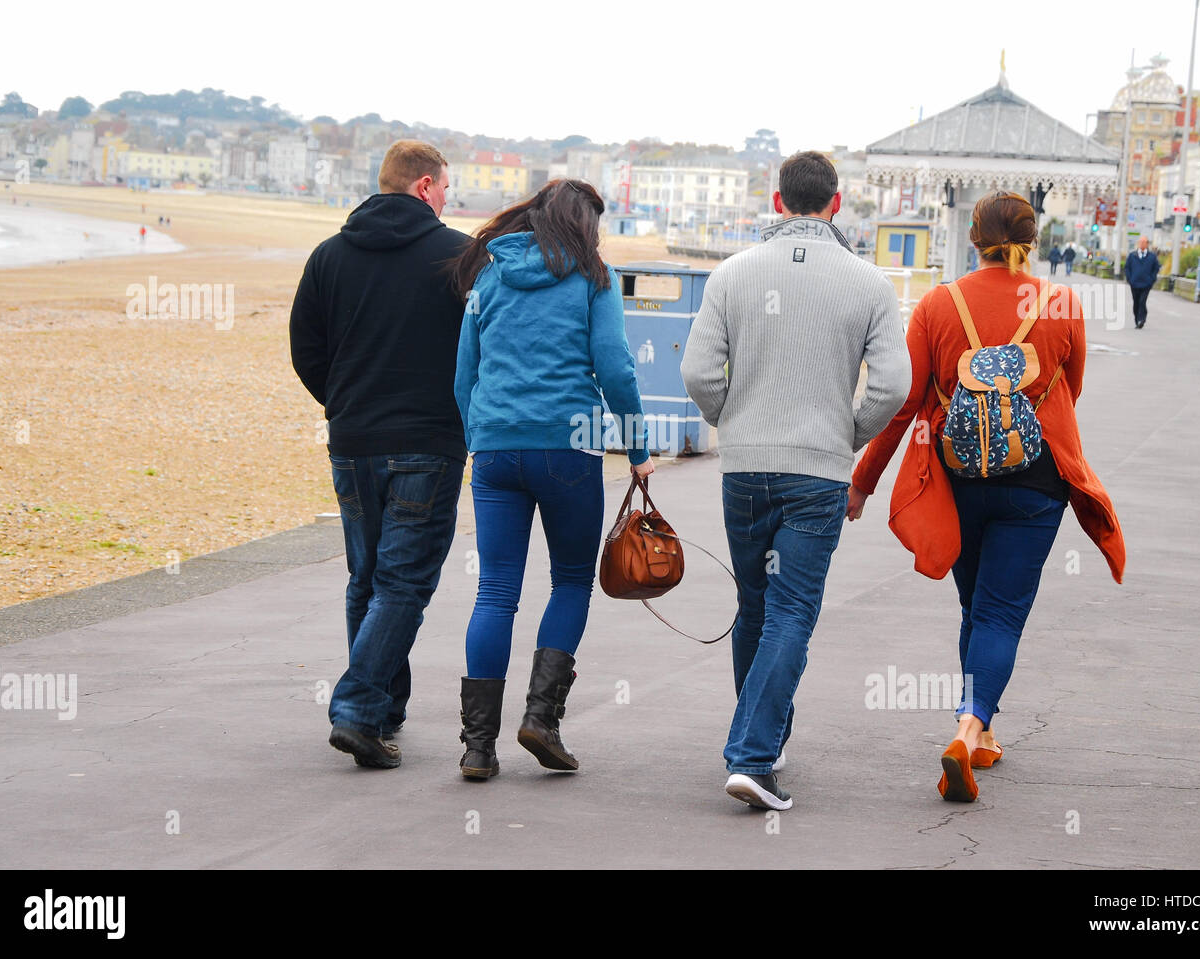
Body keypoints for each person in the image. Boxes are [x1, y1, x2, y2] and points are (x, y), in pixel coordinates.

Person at [847, 190, 1125, 803]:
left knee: (975, 607)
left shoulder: (939, 304)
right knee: (1001, 613)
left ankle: (981, 726)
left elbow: (902, 406)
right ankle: (971, 729)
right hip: (1037, 482)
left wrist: (863, 483)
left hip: (959, 480)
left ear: (973, 238)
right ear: (1034, 237)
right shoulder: (1060, 302)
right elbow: (1069, 390)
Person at [680, 151, 911, 811]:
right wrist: (851, 433)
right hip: (817, 471)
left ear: (778, 202)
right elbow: (894, 384)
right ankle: (753, 754)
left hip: (746, 466)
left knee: (754, 602)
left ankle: (763, 739)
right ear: (836, 204)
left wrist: (732, 419)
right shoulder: (869, 284)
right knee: (791, 609)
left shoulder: (732, 275)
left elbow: (697, 373)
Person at [451, 179, 653, 781]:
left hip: (494, 450)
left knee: (495, 592)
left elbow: (465, 374)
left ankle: (477, 748)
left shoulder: (489, 277)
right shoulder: (593, 277)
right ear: (585, 226)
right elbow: (615, 367)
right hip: (569, 447)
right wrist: (638, 446)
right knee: (569, 581)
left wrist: (478, 436)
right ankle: (541, 720)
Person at [290, 140, 469, 769]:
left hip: (354, 442)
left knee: (366, 579)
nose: (449, 199)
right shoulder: (458, 255)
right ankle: (360, 710)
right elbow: (481, 347)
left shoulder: (329, 255)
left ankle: (383, 712)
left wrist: (342, 403)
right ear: (424, 186)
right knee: (403, 584)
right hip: (428, 443)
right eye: (447, 188)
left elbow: (305, 349)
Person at [1124, 235, 1161, 329]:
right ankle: (1137, 319)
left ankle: (1142, 319)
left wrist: (1151, 279)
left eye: (1144, 242)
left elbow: (1156, 268)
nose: (1142, 244)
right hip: (1134, 283)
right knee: (1136, 302)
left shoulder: (1152, 257)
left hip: (1146, 284)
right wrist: (1130, 279)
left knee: (1142, 301)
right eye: (1140, 242)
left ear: (1147, 244)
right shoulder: (1132, 256)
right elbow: (1127, 268)